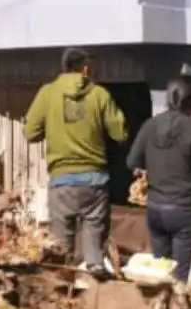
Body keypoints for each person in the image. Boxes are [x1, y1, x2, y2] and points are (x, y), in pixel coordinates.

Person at [26, 48, 128, 272]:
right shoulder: (100, 94)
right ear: (85, 68)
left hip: (62, 182)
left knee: (61, 254)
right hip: (95, 182)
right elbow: (120, 133)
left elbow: (30, 132)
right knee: (95, 255)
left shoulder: (47, 93)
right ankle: (96, 279)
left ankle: (63, 294)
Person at [127, 73, 191, 282]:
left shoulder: (150, 126)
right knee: (181, 277)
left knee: (161, 272)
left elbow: (132, 162)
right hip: (185, 213)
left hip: (156, 211)